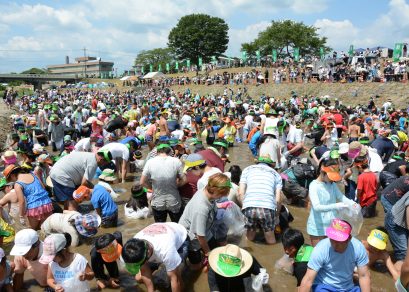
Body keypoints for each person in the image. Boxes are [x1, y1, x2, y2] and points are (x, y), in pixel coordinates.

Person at [121, 222, 200, 292]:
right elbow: (144, 271)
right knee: (138, 278)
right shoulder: (134, 247)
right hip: (161, 231)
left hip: (180, 241)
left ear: (147, 254)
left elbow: (174, 279)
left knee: (173, 279)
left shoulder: (166, 250)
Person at [300, 219, 371, 292]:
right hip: (325, 286)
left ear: (349, 239)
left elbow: (364, 276)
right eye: (332, 240)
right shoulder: (321, 248)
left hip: (348, 288)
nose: (334, 245)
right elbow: (308, 280)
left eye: (339, 241)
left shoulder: (358, 248)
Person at [179, 173, 231, 266]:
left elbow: (211, 203)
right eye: (221, 194)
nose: (222, 197)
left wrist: (220, 205)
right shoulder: (201, 208)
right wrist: (207, 253)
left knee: (216, 251)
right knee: (197, 265)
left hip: (206, 231)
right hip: (192, 237)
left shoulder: (205, 190)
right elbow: (200, 236)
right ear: (214, 190)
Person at [307, 158, 354, 246]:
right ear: (322, 170)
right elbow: (317, 207)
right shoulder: (314, 186)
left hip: (332, 224)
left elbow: (341, 197)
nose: (331, 179)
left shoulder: (332, 184)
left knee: (331, 252)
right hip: (317, 227)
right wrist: (336, 206)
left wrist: (352, 203)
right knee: (319, 254)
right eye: (330, 176)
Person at [239, 156, 282, 244]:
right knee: (270, 239)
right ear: (271, 165)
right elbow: (278, 198)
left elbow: (240, 193)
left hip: (249, 205)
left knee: (249, 237)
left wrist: (244, 207)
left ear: (257, 163)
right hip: (268, 207)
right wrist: (276, 215)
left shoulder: (247, 170)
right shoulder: (276, 174)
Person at [140, 143, 186, 223]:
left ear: (157, 152)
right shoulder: (176, 161)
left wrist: (151, 188)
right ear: (169, 152)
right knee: (177, 225)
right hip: (174, 200)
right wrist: (176, 186)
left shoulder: (150, 162)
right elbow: (185, 180)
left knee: (160, 228)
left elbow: (142, 182)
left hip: (158, 201)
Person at [3, 164, 53, 230]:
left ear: (12, 175)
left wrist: (21, 216)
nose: (12, 181)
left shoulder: (18, 184)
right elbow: (43, 187)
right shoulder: (33, 174)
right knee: (45, 229)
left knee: (32, 230)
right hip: (47, 203)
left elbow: (22, 201)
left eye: (10, 179)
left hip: (34, 207)